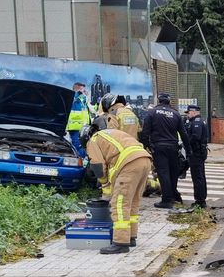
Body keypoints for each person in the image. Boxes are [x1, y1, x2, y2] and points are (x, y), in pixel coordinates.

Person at [82, 115, 152, 255]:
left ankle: (120, 242)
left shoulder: (93, 140)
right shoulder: (111, 133)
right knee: (133, 202)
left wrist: (104, 185)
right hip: (144, 160)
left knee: (119, 204)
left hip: (129, 164)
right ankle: (131, 237)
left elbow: (98, 167)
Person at [141, 92, 189, 209]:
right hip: (173, 147)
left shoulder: (151, 113)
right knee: (173, 173)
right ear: (169, 101)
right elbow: (183, 134)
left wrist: (147, 146)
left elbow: (145, 132)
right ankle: (172, 195)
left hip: (158, 147)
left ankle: (167, 200)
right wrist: (189, 150)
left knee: (163, 173)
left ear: (159, 100)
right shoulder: (176, 114)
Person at [184, 104, 210, 208]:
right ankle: (200, 199)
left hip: (196, 153)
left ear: (194, 112)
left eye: (188, 113)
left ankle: (200, 200)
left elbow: (195, 137)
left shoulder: (197, 122)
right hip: (197, 153)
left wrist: (186, 143)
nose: (187, 115)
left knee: (198, 177)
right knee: (199, 176)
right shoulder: (195, 121)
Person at [67, 82, 93, 158]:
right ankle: (80, 160)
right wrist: (80, 93)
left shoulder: (83, 100)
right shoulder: (74, 97)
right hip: (75, 127)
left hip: (83, 128)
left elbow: (92, 110)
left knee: (84, 145)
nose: (84, 91)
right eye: (82, 89)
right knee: (78, 145)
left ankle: (82, 159)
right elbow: (75, 98)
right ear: (77, 89)